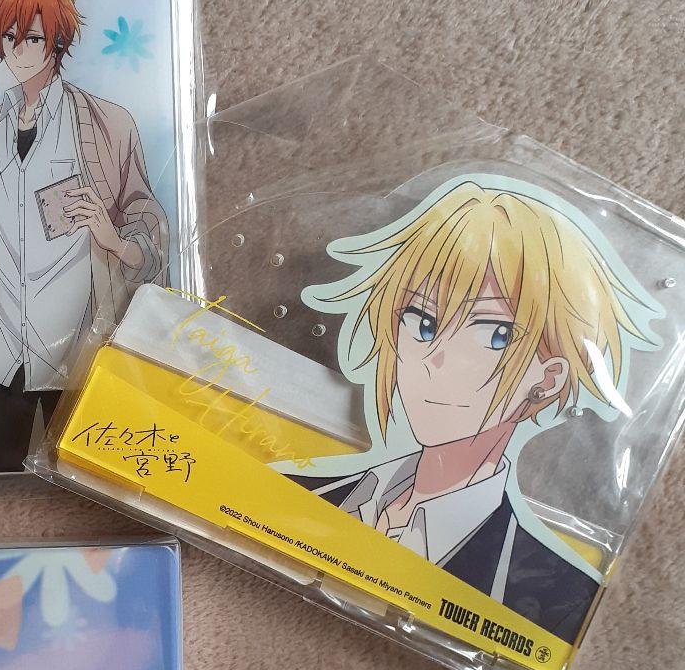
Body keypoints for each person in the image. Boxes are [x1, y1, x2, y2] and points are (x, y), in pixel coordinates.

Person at [278, 180, 657, 644]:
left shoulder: (558, 599)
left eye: (495, 334)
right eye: (422, 322)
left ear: (549, 377)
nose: (435, 360)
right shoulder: (288, 493)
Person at [0, 0, 168, 473]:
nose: (19, 50)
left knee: (90, 492)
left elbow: (150, 225)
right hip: (2, 354)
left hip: (78, 356)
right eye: (10, 37)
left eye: (33, 37)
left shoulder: (107, 124)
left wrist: (115, 240)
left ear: (58, 43)